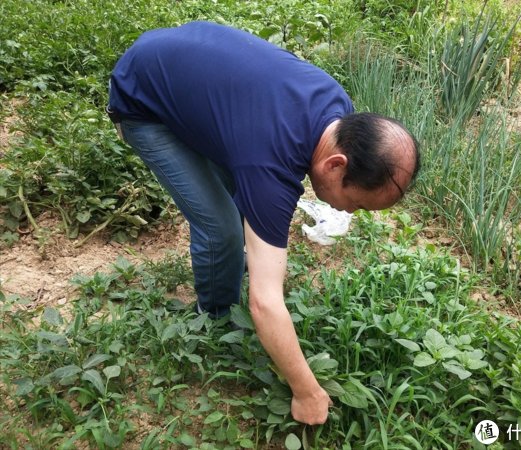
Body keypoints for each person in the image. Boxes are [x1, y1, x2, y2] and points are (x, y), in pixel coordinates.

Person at [107, 21, 420, 426]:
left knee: (242, 196)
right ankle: (215, 318)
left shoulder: (336, 109)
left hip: (178, 56)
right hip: (141, 98)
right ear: (336, 164)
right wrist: (307, 392)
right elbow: (264, 302)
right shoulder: (269, 165)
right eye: (356, 205)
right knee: (222, 227)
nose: (348, 214)